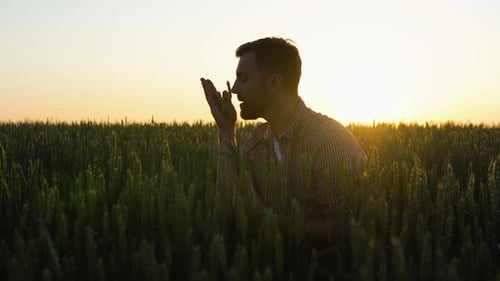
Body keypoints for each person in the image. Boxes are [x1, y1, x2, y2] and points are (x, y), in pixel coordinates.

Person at [200, 37, 366, 246]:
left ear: (274, 83)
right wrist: (226, 131)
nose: (234, 89)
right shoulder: (257, 141)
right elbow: (228, 207)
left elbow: (347, 230)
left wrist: (268, 220)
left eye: (243, 78)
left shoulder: (330, 141)